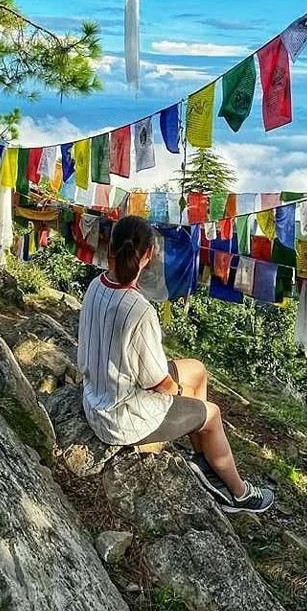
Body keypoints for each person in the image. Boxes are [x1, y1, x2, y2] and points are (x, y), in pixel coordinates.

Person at [77, 215, 274, 514]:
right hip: (121, 417)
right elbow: (159, 383)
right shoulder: (139, 309)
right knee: (212, 413)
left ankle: (203, 460)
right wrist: (180, 392)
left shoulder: (96, 285)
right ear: (149, 255)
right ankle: (239, 495)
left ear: (111, 247)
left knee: (197, 370)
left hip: (97, 393)